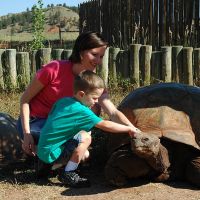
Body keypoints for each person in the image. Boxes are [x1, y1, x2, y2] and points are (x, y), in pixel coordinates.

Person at [17, 31, 138, 157]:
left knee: (83, 151)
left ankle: (45, 154)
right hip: (36, 122)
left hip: (62, 126)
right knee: (78, 150)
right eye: (94, 54)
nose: (98, 60)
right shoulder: (54, 69)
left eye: (101, 56)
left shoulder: (92, 81)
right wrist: (27, 134)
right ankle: (40, 153)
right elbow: (25, 100)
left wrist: (135, 130)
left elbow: (112, 112)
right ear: (81, 53)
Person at [37, 70, 140, 188]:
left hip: (43, 149)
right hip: (52, 153)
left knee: (79, 140)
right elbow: (105, 125)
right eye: (95, 98)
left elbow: (51, 117)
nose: (97, 102)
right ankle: (68, 173)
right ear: (81, 94)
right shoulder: (82, 111)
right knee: (85, 139)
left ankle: (45, 165)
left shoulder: (63, 101)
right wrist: (129, 129)